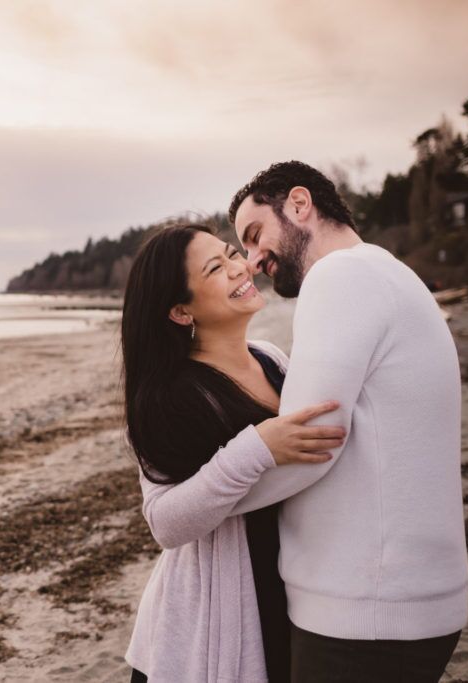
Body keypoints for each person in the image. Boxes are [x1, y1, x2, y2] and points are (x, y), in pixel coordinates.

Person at [223, 160, 468, 681]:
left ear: (299, 204)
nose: (252, 260)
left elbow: (309, 442)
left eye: (255, 235)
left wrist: (206, 501)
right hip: (401, 602)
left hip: (364, 613)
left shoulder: (341, 276)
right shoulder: (384, 272)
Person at [120, 222, 346, 681]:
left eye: (231, 254)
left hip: (294, 588)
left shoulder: (270, 358)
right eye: (215, 268)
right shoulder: (169, 397)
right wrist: (257, 449)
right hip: (213, 622)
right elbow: (165, 522)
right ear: (181, 311)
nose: (240, 267)